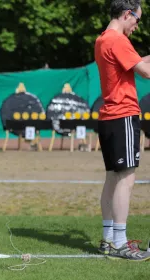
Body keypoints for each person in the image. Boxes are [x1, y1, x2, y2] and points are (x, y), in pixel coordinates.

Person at [94, 0, 150, 260]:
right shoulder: (118, 41)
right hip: (123, 114)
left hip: (109, 117)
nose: (137, 27)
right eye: (137, 20)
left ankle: (108, 239)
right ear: (127, 14)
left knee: (113, 178)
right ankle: (119, 242)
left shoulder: (103, 39)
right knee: (126, 179)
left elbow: (136, 63)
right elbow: (145, 72)